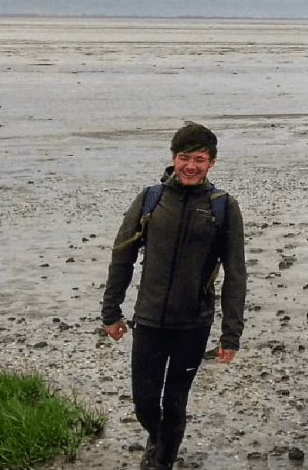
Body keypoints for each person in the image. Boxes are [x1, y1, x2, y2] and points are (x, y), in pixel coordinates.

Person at [101, 123, 247, 470]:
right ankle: (159, 437)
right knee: (146, 404)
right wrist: (111, 310)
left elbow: (236, 274)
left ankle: (162, 461)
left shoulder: (223, 207)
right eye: (185, 158)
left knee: (176, 401)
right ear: (173, 158)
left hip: (193, 324)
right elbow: (122, 255)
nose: (191, 166)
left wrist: (231, 334)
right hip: (149, 319)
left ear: (212, 162)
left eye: (200, 159)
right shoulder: (151, 199)